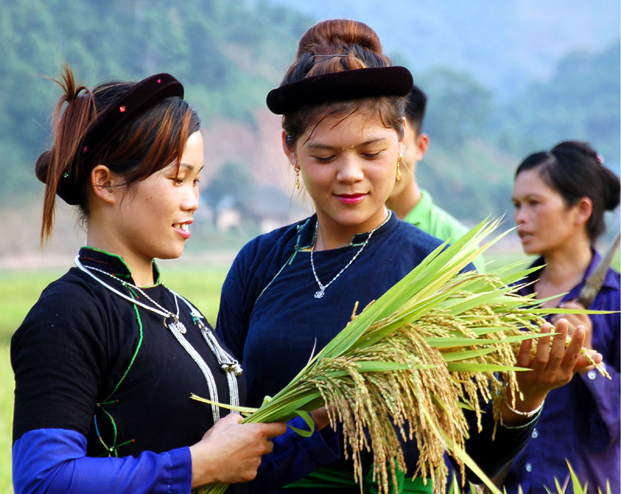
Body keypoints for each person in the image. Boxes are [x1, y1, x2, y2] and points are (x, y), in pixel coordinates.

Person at [215, 19, 599, 494]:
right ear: (289, 150)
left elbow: (474, 456)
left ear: (401, 140)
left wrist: (528, 393)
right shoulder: (260, 262)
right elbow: (220, 419)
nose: (349, 174)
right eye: (324, 156)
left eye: (370, 151)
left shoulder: (441, 272)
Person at [10, 66, 340, 494]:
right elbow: (44, 480)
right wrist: (196, 465)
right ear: (105, 183)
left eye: (196, 180)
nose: (193, 200)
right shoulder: (70, 313)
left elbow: (235, 470)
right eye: (177, 178)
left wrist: (326, 417)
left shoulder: (181, 312)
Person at [500, 140, 620, 494]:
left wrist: (590, 362)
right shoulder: (505, 303)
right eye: (517, 205)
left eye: (534, 203)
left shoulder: (615, 302)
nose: (520, 217)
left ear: (580, 210)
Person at [385, 85, 485, 271]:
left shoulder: (455, 241)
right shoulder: (345, 231)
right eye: (375, 149)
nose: (388, 160)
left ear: (421, 147)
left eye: (400, 145)